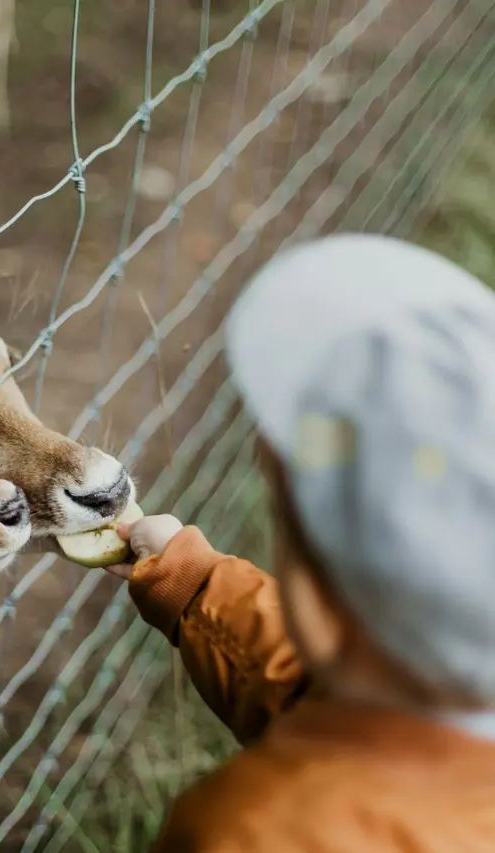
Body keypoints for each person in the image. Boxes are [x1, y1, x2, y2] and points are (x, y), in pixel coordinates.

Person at [107, 233, 495, 852]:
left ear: (319, 594)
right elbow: (334, 694)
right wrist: (193, 581)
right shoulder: (430, 705)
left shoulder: (257, 831)